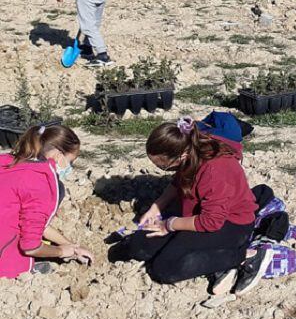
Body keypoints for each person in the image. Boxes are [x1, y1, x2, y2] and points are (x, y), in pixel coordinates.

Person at [113, 117, 267, 292]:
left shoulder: (215, 170)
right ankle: (210, 260)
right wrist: (156, 207)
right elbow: (177, 182)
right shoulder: (189, 150)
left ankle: (246, 257)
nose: (164, 170)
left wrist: (169, 224)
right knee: (138, 247)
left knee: (164, 269)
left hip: (229, 223)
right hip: (194, 214)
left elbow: (211, 221)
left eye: (163, 167)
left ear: (181, 155)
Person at [0, 125, 93, 278]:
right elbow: (30, 247)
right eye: (71, 162)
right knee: (23, 264)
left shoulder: (9, 161)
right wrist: (61, 252)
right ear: (59, 156)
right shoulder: (42, 184)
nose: (69, 168)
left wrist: (70, 245)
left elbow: (33, 222)